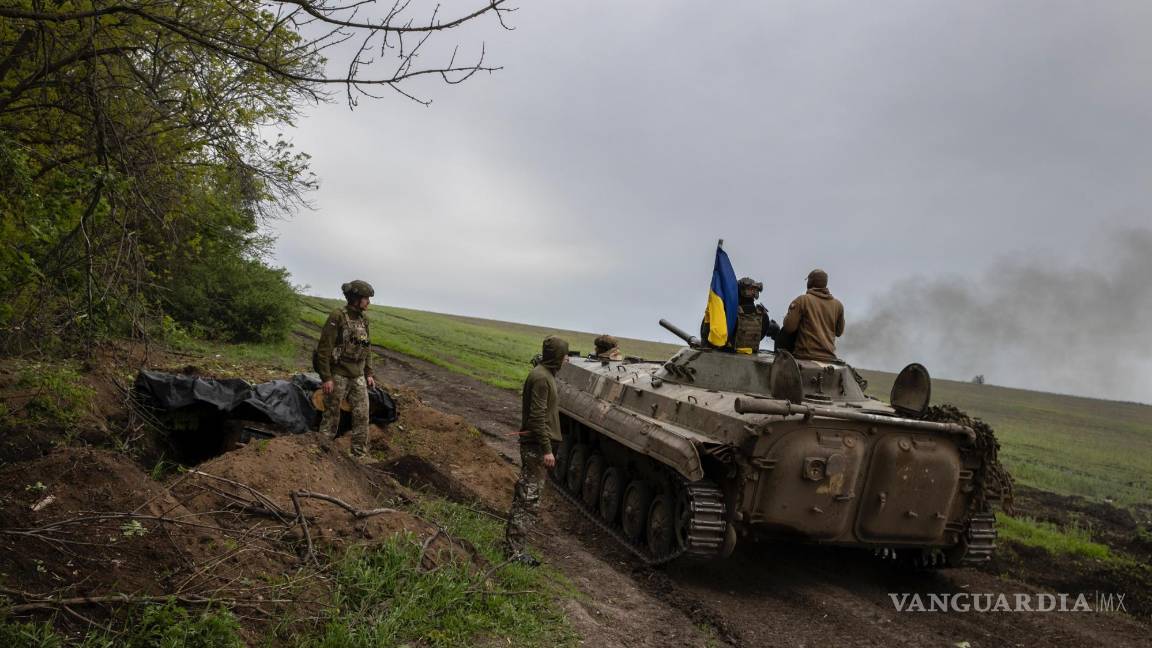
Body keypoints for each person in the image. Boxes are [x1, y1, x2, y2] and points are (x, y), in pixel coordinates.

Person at [503, 335, 569, 565]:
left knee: (525, 496)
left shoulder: (544, 374)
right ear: (558, 357)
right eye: (564, 355)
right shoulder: (542, 378)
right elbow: (537, 417)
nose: (566, 359)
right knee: (528, 499)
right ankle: (515, 553)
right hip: (535, 447)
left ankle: (513, 547)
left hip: (534, 446)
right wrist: (547, 449)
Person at [315, 280, 377, 459]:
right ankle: (322, 452)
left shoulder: (363, 320)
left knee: (362, 415)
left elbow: (367, 348)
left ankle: (359, 455)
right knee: (331, 415)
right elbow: (324, 349)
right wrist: (326, 377)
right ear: (356, 298)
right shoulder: (337, 316)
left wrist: (369, 373)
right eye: (366, 298)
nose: (368, 302)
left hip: (357, 376)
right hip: (338, 375)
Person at [779, 269, 845, 361]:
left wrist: (787, 318)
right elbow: (839, 332)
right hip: (829, 357)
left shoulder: (802, 300)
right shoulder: (838, 305)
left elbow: (789, 328)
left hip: (804, 355)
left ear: (811, 282)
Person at [701, 277, 779, 353]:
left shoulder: (728, 315)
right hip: (750, 358)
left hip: (725, 357)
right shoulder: (763, 316)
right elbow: (775, 329)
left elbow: (705, 332)